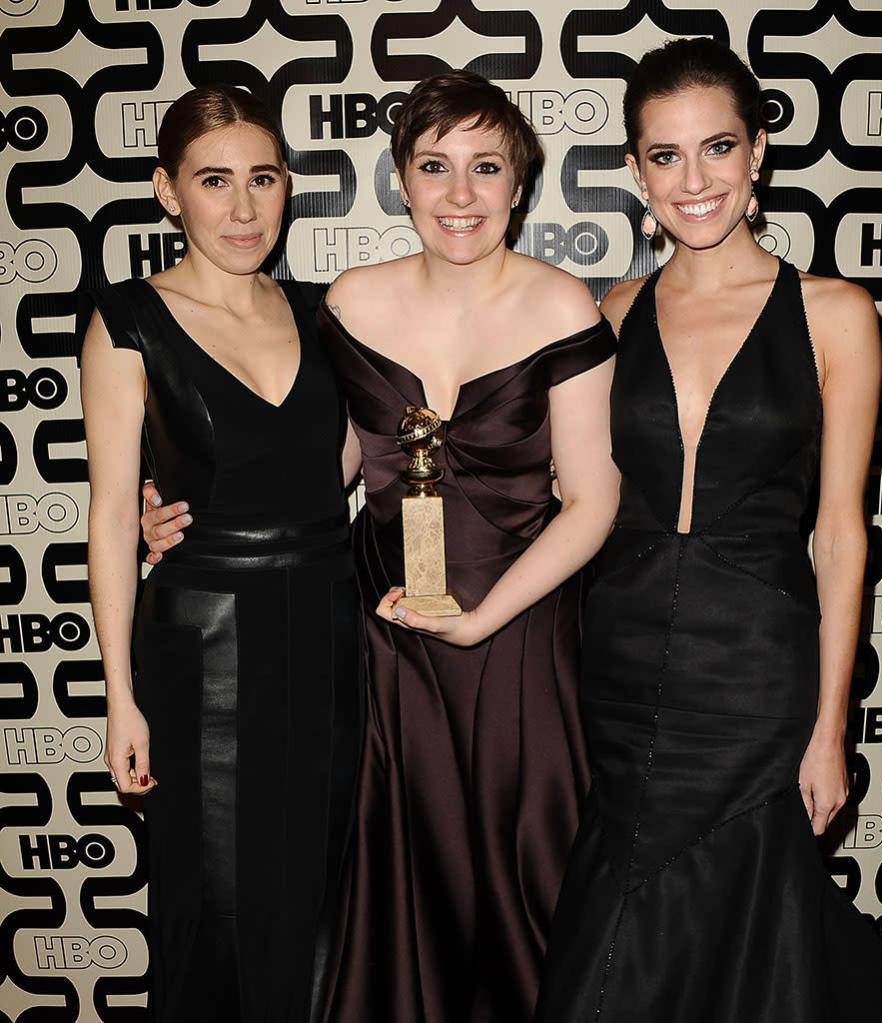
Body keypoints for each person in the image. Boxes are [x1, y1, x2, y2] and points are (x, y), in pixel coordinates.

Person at [142, 70, 619, 1023]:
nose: (459, 196)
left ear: (520, 184)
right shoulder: (349, 301)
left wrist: (484, 618)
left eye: (486, 169)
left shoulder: (565, 305)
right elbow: (315, 468)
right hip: (385, 644)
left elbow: (596, 500)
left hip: (517, 640)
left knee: (525, 886)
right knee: (403, 885)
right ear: (400, 179)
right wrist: (170, 513)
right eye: (434, 166)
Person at [534, 38, 882, 1022]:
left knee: (748, 943)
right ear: (634, 172)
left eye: (717, 148)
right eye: (665, 156)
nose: (693, 179)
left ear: (758, 152)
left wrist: (831, 727)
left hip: (758, 677)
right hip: (622, 671)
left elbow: (841, 537)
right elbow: (514, 473)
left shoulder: (835, 312)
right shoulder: (606, 313)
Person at [81, 85, 362, 1022]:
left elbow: (350, 462)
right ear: (169, 192)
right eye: (213, 181)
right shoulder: (128, 321)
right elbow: (114, 516)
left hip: (330, 637)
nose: (243, 208)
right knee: (214, 912)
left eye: (263, 179)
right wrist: (120, 696)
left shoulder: (327, 313)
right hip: (201, 653)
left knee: (320, 905)